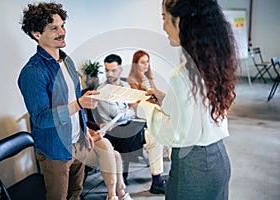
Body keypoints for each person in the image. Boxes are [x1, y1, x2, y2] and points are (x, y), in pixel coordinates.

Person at [131, 0, 238, 199]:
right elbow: (197, 109)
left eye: (164, 18)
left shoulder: (182, 75)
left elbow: (173, 133)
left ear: (179, 21)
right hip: (219, 159)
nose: (163, 26)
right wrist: (165, 98)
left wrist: (142, 107)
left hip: (193, 167)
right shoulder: (211, 63)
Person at [18, 2, 99, 199]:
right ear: (36, 34)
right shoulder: (33, 72)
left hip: (77, 142)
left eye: (62, 26)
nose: (62, 32)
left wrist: (84, 130)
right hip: (55, 150)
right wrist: (78, 105)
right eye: (54, 28)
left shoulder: (66, 60)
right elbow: (42, 119)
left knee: (76, 193)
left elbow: (76, 97)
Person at [96, 54, 167, 194]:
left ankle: (157, 180)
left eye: (113, 70)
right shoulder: (102, 90)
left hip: (129, 125)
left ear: (120, 69)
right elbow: (118, 114)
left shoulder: (126, 85)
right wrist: (132, 107)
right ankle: (157, 181)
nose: (109, 74)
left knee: (156, 134)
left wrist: (132, 108)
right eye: (107, 70)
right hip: (115, 131)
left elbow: (134, 109)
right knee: (154, 137)